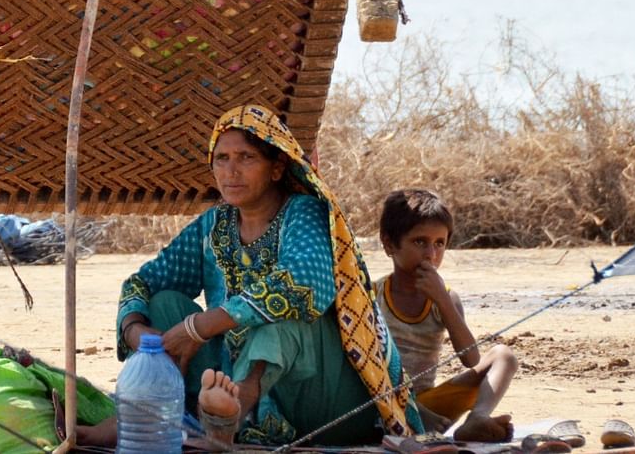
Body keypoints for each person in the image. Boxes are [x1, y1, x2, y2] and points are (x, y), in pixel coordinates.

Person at [78, 105, 423, 449]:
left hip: (326, 401)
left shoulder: (305, 213)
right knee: (164, 302)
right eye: (222, 158)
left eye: (246, 157)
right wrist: (136, 330)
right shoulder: (213, 226)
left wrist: (201, 326)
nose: (231, 171)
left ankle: (235, 407)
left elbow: (305, 285)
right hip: (225, 384)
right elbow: (144, 282)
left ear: (276, 168)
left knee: (283, 316)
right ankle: (192, 414)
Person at [375, 189, 518, 441]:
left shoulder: (446, 298)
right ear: (389, 244)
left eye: (439, 243)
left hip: (432, 408)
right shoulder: (372, 295)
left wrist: (442, 300)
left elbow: (471, 359)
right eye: (419, 242)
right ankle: (413, 416)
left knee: (503, 356)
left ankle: (477, 418)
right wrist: (411, 407)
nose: (431, 254)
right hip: (379, 404)